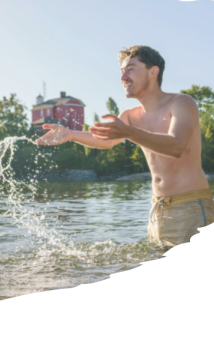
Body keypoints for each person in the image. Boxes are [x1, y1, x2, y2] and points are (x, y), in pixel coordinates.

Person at [37, 45, 210, 247]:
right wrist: (71, 134)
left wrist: (129, 132)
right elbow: (107, 140)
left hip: (189, 206)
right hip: (157, 209)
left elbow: (176, 146)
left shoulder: (182, 103)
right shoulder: (129, 116)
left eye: (130, 69)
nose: (123, 78)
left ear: (153, 71)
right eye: (121, 72)